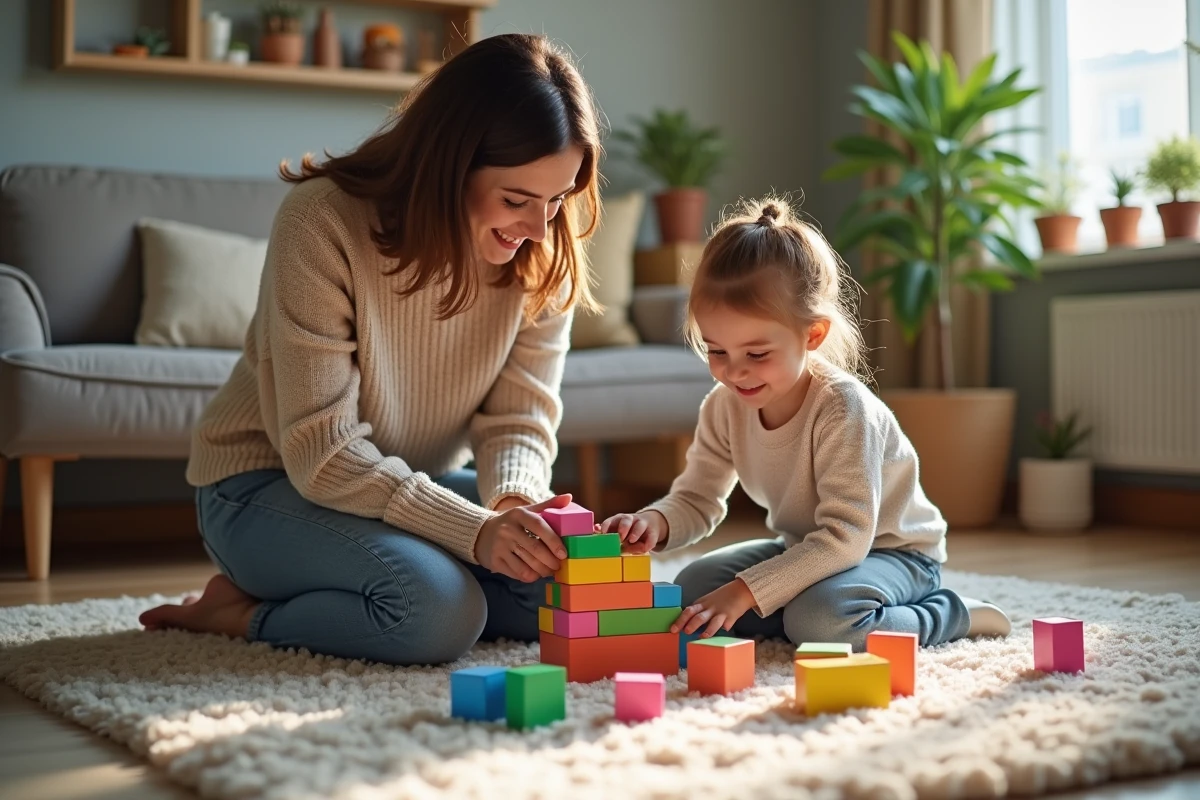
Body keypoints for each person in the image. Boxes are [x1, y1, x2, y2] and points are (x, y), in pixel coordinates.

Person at [140, 33, 605, 665]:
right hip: (265, 486)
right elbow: (323, 455)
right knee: (439, 613)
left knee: (566, 587)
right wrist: (474, 531)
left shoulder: (543, 251)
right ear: (449, 164)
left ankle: (410, 575)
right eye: (516, 200)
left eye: (557, 202)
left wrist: (513, 505)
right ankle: (240, 614)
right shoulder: (322, 222)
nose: (536, 229)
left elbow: (520, 418)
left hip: (412, 481)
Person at [600, 198, 1011, 650]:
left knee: (822, 622)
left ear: (811, 335)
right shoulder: (723, 405)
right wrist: (654, 523)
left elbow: (846, 538)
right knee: (693, 590)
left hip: (893, 553)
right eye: (717, 350)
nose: (734, 372)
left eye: (756, 354)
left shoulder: (842, 408)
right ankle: (795, 613)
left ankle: (954, 614)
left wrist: (746, 592)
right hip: (806, 550)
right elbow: (698, 499)